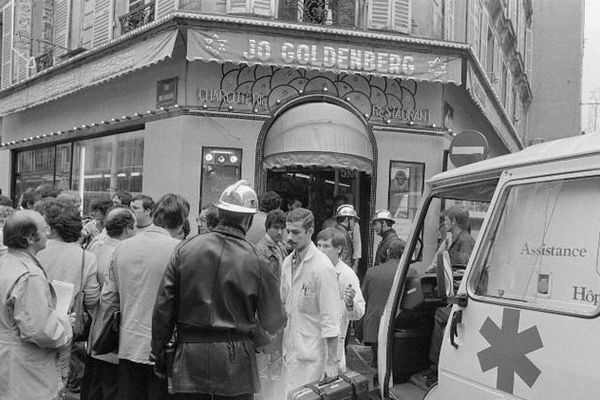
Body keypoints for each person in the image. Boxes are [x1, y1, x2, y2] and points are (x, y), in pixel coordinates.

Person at [151, 180, 286, 400]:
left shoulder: (185, 249)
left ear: (220, 212)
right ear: (249, 219)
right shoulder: (259, 260)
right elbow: (274, 320)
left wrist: (158, 352)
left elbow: (163, 310)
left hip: (189, 361)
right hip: (236, 366)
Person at [102, 193, 189, 400]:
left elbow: (108, 298)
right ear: (181, 222)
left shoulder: (123, 247)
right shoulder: (180, 251)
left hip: (128, 343)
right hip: (165, 350)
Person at [0, 210, 73, 400]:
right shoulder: (29, 275)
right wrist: (64, 325)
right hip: (26, 374)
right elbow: (40, 330)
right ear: (30, 237)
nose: (49, 232)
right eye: (44, 228)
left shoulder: (5, 263)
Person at [35, 198, 101, 394]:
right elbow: (91, 299)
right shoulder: (85, 257)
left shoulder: (34, 250)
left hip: (32, 323)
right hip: (64, 327)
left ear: (51, 226)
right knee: (59, 378)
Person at [280, 208, 341, 395]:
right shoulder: (287, 263)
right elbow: (283, 303)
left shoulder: (322, 267)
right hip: (289, 353)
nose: (290, 237)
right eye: (288, 231)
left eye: (296, 232)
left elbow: (331, 318)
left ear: (310, 231)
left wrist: (331, 363)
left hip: (313, 358)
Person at [84, 207, 137, 400]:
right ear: (128, 227)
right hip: (112, 332)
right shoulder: (123, 254)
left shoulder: (95, 247)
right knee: (110, 386)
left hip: (95, 328)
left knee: (94, 383)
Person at [423, 206, 475, 387]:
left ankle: (435, 367)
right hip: (454, 294)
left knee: (440, 315)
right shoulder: (455, 239)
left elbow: (461, 271)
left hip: (459, 298)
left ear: (454, 221)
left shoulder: (465, 241)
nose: (444, 222)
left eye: (446, 219)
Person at [316, 227, 365, 373]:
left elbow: (358, 313)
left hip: (332, 346)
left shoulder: (347, 275)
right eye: (318, 245)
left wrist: (350, 304)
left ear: (339, 249)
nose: (320, 250)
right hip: (309, 343)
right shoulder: (311, 270)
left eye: (326, 246)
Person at [254, 208, 288, 400]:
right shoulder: (261, 250)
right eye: (276, 227)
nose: (280, 232)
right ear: (268, 227)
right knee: (265, 356)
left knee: (275, 359)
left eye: (282, 228)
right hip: (267, 308)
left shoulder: (280, 247)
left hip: (277, 306)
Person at [361, 239, 406, 371]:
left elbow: (363, 298)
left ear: (387, 252)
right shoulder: (410, 272)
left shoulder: (372, 272)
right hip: (397, 326)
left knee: (377, 362)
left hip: (374, 326)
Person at [322, 195, 361, 272]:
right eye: (336, 205)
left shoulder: (352, 226)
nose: (337, 207)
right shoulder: (329, 224)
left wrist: (355, 265)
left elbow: (357, 245)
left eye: (340, 205)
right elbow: (344, 255)